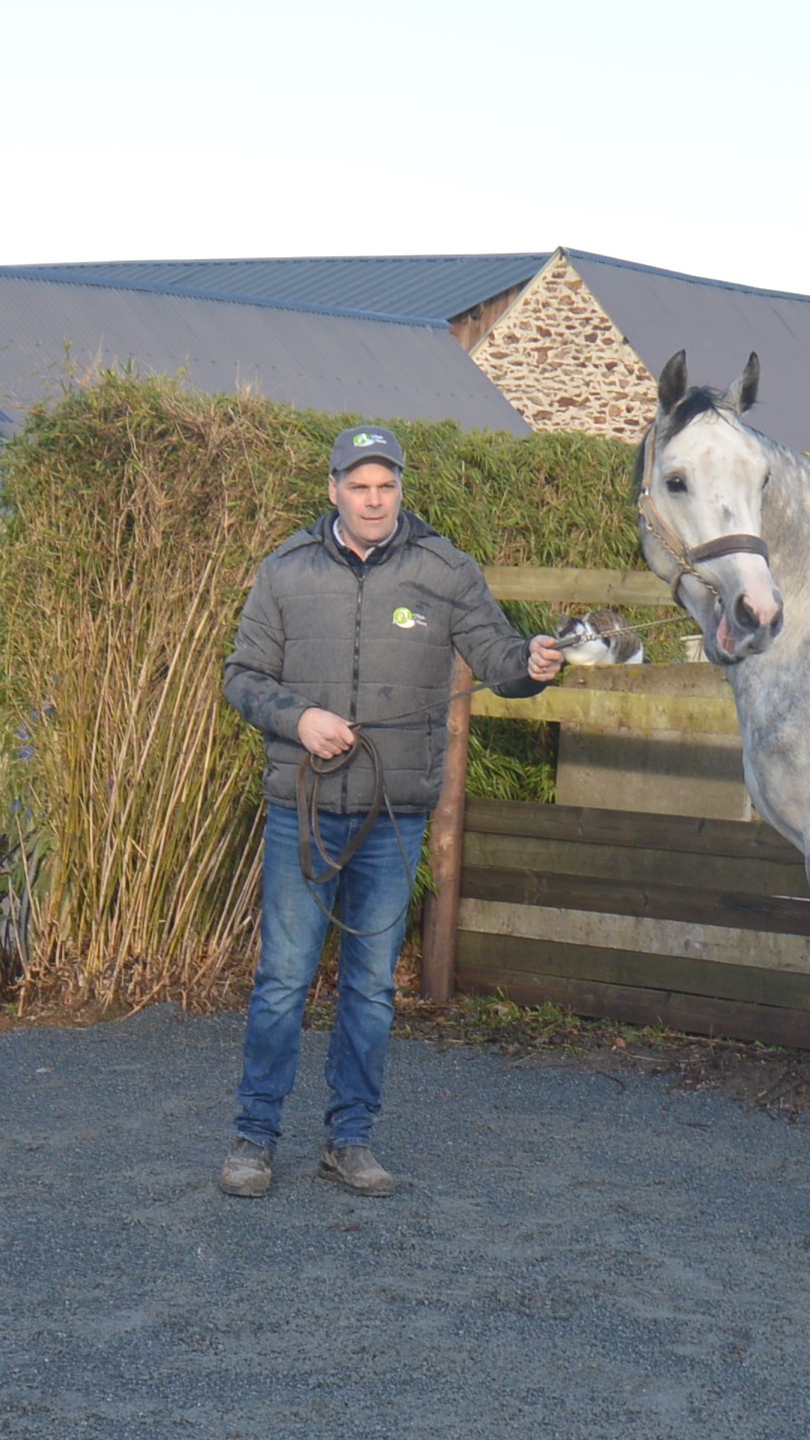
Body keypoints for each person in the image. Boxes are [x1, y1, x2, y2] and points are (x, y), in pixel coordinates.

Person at [217, 425, 560, 1199]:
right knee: (281, 980)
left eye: (387, 486)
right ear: (333, 488)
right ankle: (254, 1137)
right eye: (359, 486)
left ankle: (350, 1139)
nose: (374, 500)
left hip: (394, 815)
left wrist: (532, 666)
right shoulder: (285, 570)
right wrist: (298, 717)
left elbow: (501, 657)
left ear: (401, 488)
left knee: (370, 986)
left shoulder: (445, 569)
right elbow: (240, 676)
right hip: (301, 811)